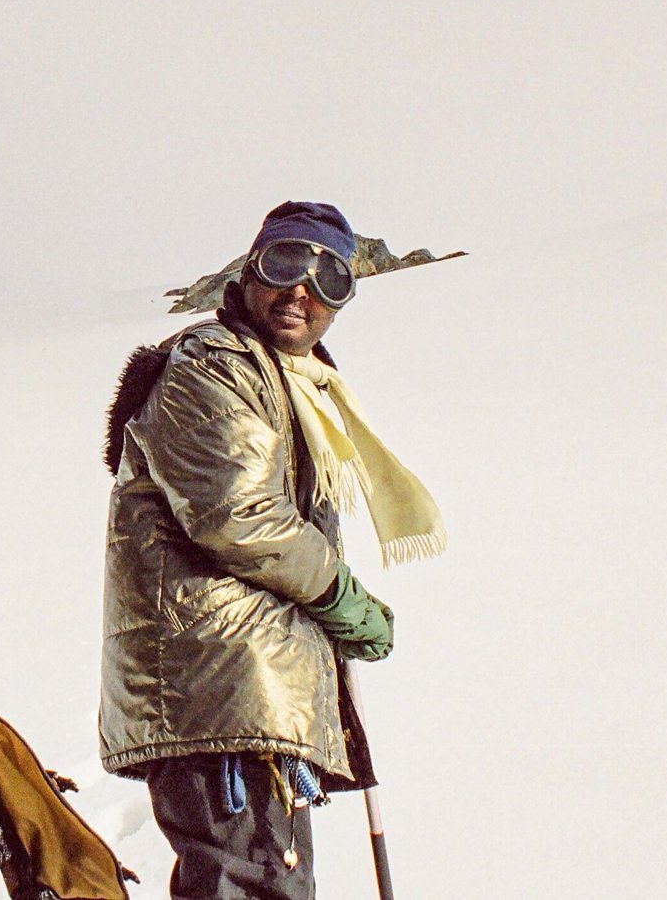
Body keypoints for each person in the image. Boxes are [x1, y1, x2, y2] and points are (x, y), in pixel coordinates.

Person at [99, 201, 446, 900]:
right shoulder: (212, 365)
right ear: (249, 270)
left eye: (330, 281)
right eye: (286, 264)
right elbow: (238, 513)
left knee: (264, 878)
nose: (302, 291)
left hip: (250, 693)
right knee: (251, 881)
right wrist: (339, 595)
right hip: (222, 689)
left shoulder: (293, 382)